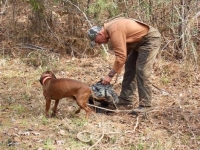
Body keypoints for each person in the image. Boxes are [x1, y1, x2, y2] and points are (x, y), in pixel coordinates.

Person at [87, 17, 161, 113]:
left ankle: (146, 105)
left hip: (149, 39)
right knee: (130, 68)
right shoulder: (111, 29)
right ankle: (125, 101)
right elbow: (123, 54)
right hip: (138, 42)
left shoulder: (114, 30)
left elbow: (121, 57)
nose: (98, 44)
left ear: (100, 34)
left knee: (142, 70)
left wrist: (110, 76)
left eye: (97, 41)